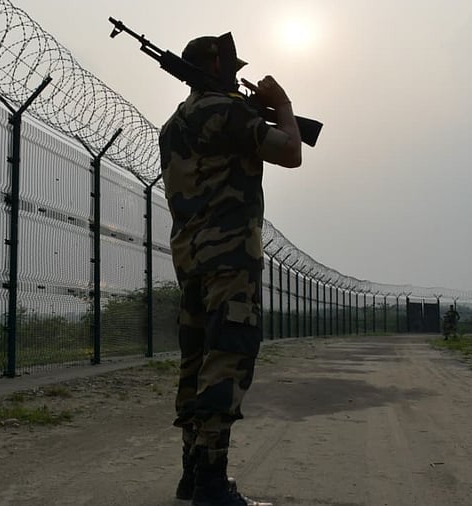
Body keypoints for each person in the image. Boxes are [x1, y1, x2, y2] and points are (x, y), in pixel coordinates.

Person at [159, 32, 303, 506]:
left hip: (191, 257)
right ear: (217, 65)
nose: (239, 76)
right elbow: (291, 152)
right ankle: (212, 485)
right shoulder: (228, 112)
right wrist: (280, 104)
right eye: (233, 69)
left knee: (196, 360)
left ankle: (191, 474)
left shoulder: (173, 124)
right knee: (228, 358)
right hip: (231, 259)